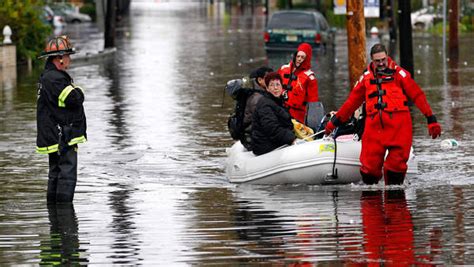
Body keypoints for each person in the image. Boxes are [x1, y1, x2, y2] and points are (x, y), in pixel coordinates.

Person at [325, 43, 441, 185]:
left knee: (395, 170)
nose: (381, 64)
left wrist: (431, 119)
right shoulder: (366, 79)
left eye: (383, 60)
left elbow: (418, 96)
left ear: (387, 57)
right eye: (377, 61)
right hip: (375, 131)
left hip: (399, 130)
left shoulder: (400, 75)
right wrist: (333, 123)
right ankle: (371, 201)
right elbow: (350, 104)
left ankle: (395, 203)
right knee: (369, 171)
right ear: (372, 61)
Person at [36, 36, 87, 202]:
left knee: (56, 173)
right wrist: (78, 89)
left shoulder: (49, 76)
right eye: (67, 56)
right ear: (59, 58)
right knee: (66, 173)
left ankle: (55, 218)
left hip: (55, 135)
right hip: (63, 136)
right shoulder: (56, 79)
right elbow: (75, 98)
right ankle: (65, 218)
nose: (69, 59)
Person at [278, 42, 322, 129]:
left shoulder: (310, 78)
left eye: (302, 57)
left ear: (307, 59)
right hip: (280, 110)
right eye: (298, 56)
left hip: (297, 116)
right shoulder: (283, 69)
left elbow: (313, 103)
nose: (299, 59)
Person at [252, 72, 296, 156]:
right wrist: (292, 139)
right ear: (267, 88)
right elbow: (271, 128)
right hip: (265, 146)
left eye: (278, 84)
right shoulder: (265, 104)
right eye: (272, 85)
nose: (275, 88)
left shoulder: (278, 102)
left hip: (274, 141)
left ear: (282, 87)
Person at [240, 66, 274, 150]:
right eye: (269, 78)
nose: (272, 81)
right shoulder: (258, 99)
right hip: (254, 139)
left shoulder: (263, 94)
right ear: (260, 80)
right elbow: (265, 123)